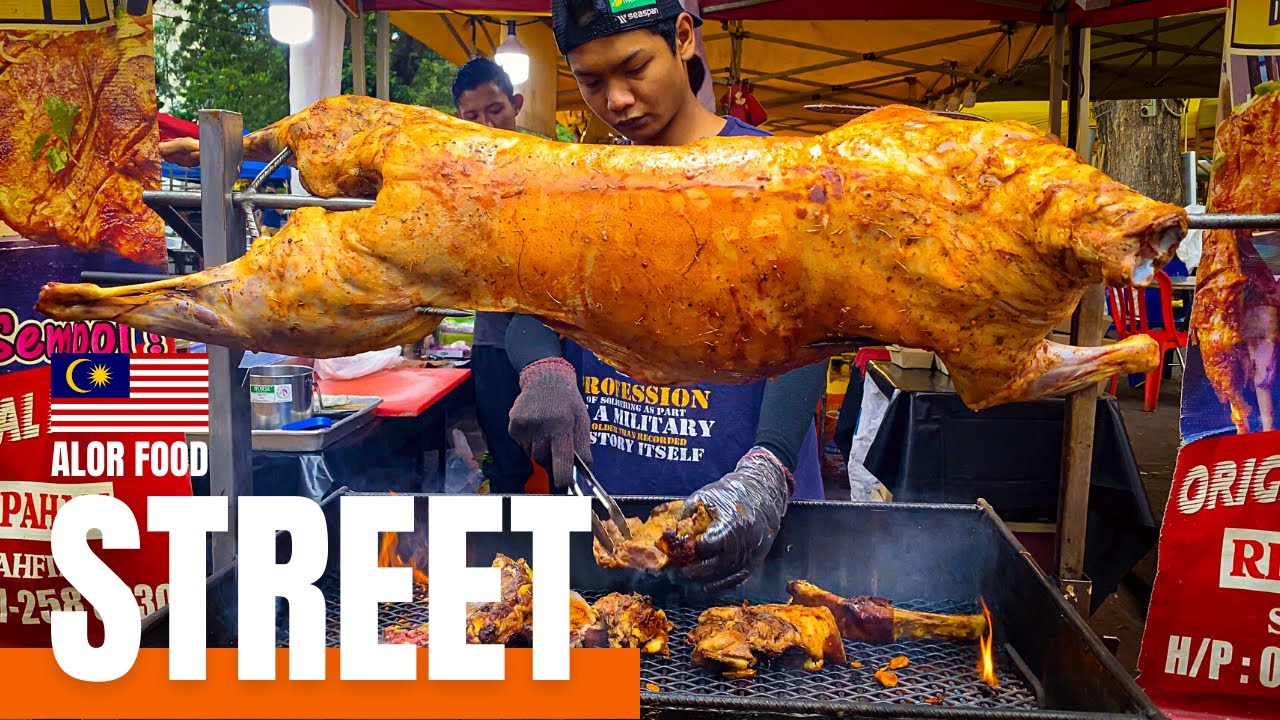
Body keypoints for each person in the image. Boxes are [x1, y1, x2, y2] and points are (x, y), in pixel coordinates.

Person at [505, 0, 829, 592]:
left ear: (682, 37)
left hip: (752, 514)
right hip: (620, 520)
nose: (617, 100)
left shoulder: (769, 175)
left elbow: (809, 336)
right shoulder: (583, 188)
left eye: (634, 68)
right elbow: (528, 307)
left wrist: (767, 469)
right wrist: (542, 368)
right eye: (592, 81)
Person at [451, 57, 537, 493]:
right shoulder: (454, 179)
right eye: (472, 116)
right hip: (492, 341)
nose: (485, 124)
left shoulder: (546, 166)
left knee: (566, 460)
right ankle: (511, 555)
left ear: (516, 104)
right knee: (505, 464)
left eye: (495, 110)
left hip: (551, 338)